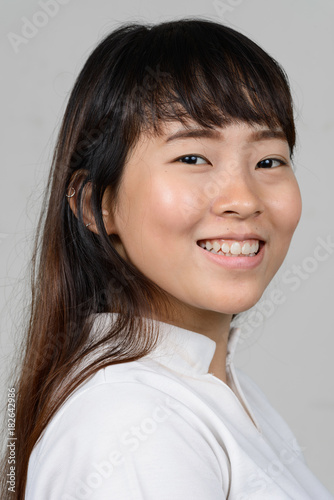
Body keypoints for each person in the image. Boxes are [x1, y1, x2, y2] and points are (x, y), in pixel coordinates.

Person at [2, 18, 333, 500]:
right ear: (98, 203)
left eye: (269, 160)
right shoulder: (132, 423)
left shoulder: (220, 393)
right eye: (193, 158)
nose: (243, 199)